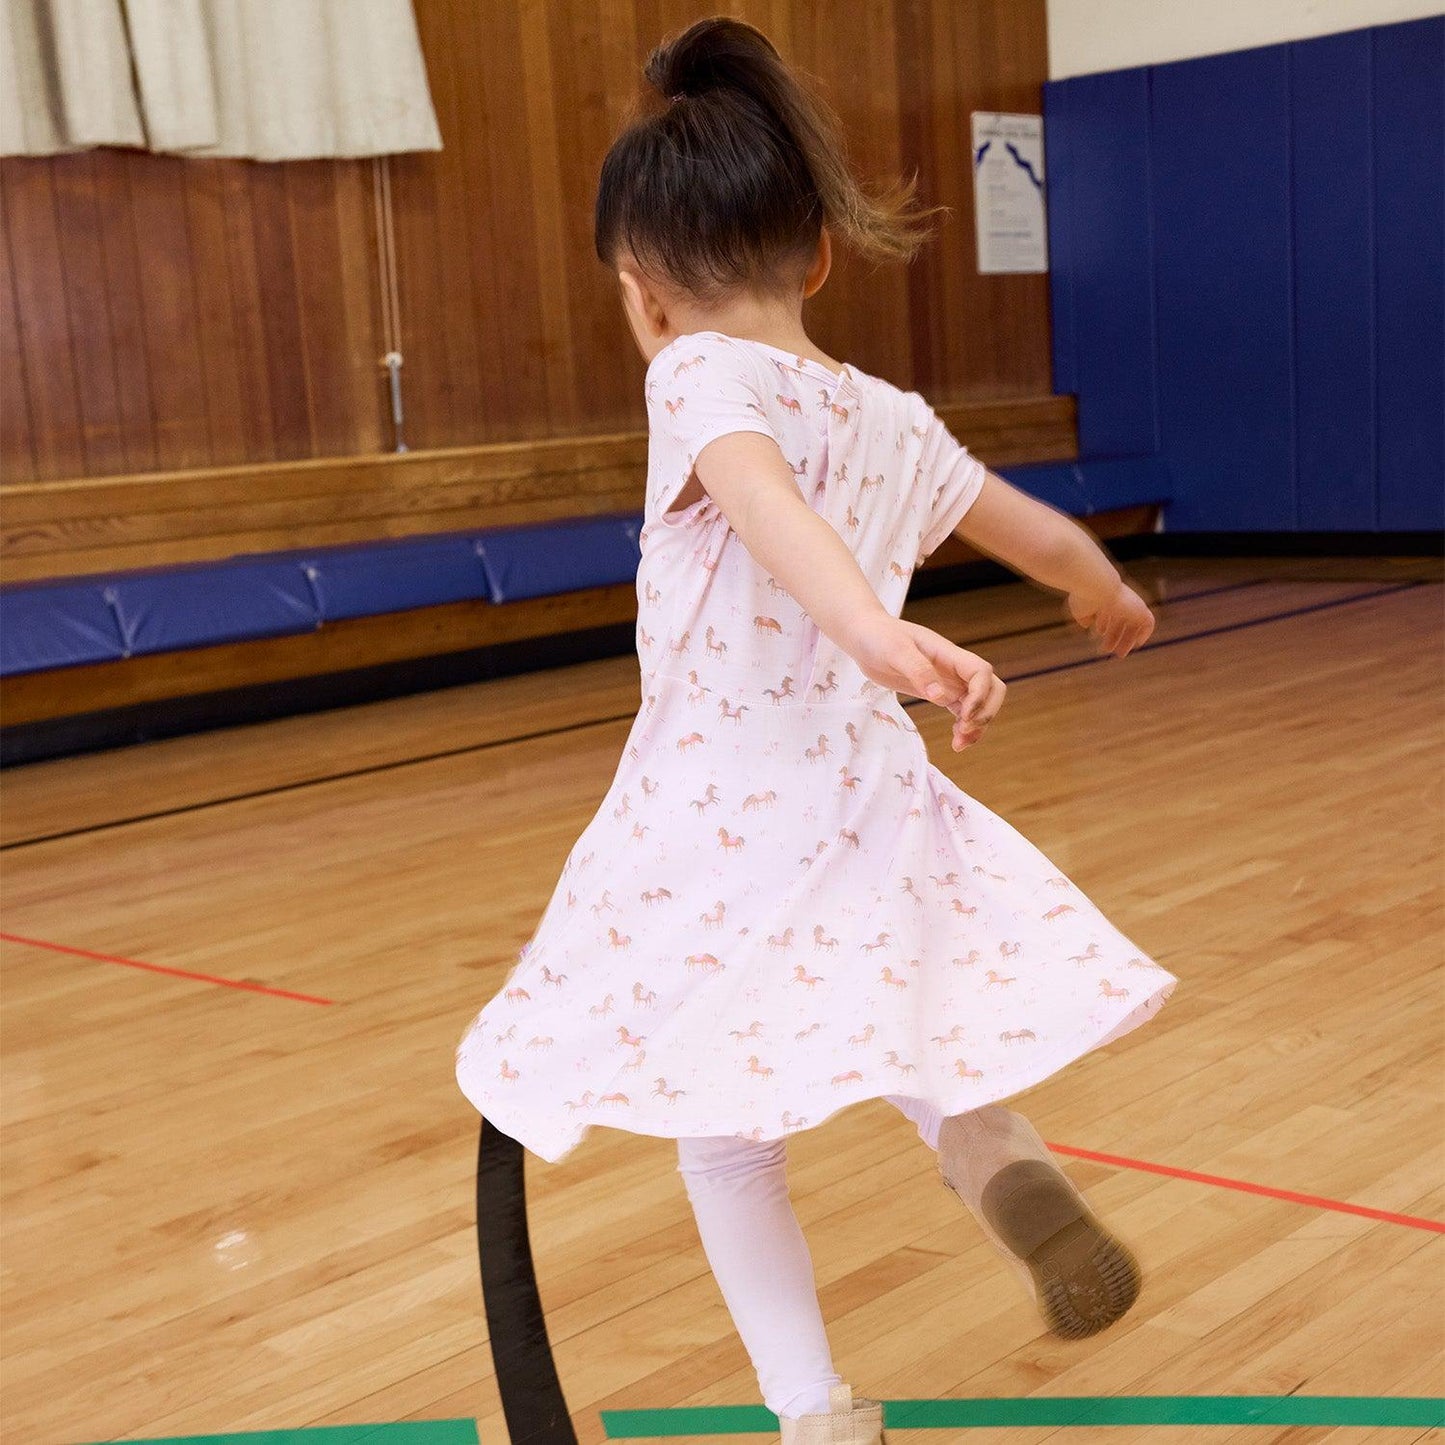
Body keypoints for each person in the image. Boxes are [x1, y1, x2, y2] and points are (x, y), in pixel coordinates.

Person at [455, 16, 1178, 1441]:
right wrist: (1092, 577)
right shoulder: (890, 412)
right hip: (863, 790)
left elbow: (758, 497)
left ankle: (813, 1408)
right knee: (903, 1014)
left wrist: (868, 631)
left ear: (640, 292)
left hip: (712, 811)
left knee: (726, 1136)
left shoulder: (694, 378)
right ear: (822, 255)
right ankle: (997, 1161)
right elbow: (1013, 520)